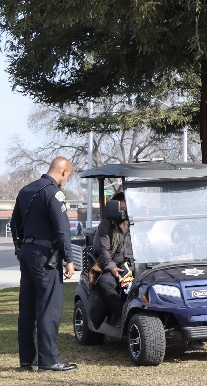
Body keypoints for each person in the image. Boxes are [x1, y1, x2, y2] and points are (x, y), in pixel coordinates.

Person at [10, 157, 77, 372]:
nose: (67, 180)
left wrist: (21, 248)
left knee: (27, 307)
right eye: (69, 176)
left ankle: (26, 361)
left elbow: (14, 223)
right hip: (45, 256)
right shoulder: (54, 192)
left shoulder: (26, 190)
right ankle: (49, 360)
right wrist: (69, 259)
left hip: (27, 252)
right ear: (64, 171)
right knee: (49, 306)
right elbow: (62, 228)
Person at [93, 191, 133, 326]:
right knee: (104, 282)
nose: (124, 212)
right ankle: (121, 313)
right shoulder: (106, 226)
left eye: (126, 209)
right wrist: (112, 268)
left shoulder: (136, 226)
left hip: (134, 267)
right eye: (121, 209)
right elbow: (104, 250)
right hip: (115, 267)